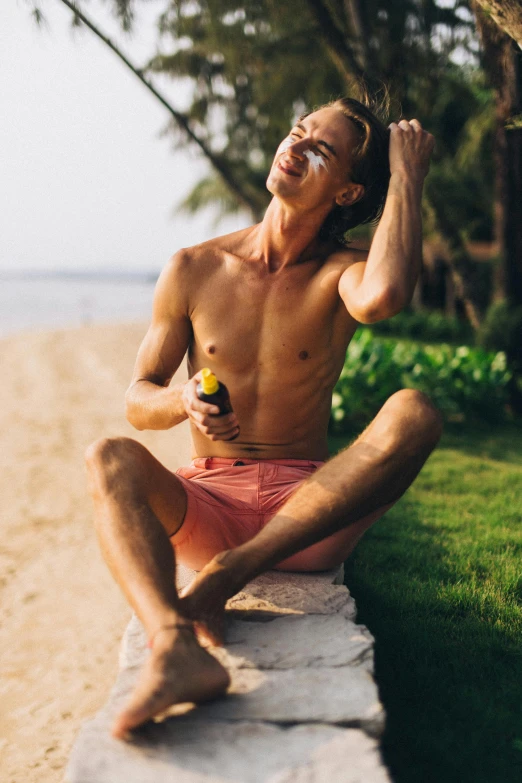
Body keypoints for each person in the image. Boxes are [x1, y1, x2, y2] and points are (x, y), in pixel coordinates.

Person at [85, 96, 441, 739]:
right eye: (298, 130)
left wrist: (408, 175)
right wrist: (182, 400)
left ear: (348, 191)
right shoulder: (193, 267)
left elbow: (385, 295)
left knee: (414, 412)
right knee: (108, 458)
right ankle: (174, 648)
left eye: (321, 151)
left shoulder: (341, 274)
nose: (295, 146)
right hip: (207, 502)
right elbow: (138, 400)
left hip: (305, 514)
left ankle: (228, 573)